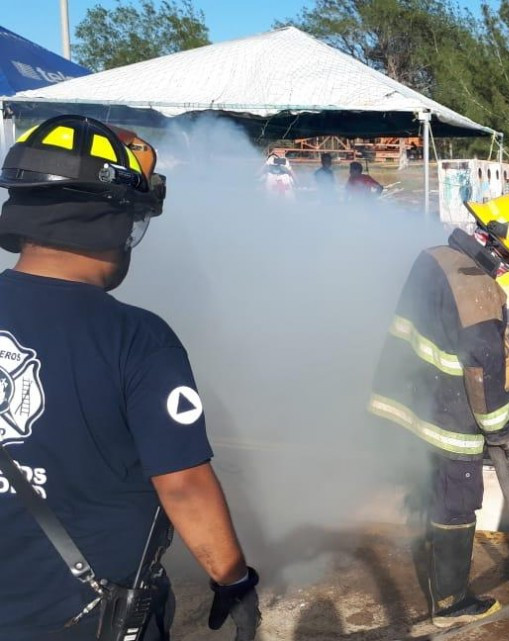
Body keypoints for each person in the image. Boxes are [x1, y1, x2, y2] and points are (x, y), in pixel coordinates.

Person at [0, 115, 259, 640]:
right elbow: (183, 485)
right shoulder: (138, 338)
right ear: (116, 222)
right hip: (88, 618)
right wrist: (232, 580)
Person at [368, 193, 509, 628]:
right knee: (457, 503)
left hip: (410, 399)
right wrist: (502, 430)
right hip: (449, 419)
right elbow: (482, 372)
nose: (507, 272)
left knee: (430, 492)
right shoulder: (479, 290)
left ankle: (433, 567)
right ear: (499, 249)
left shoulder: (435, 256)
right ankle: (449, 605)